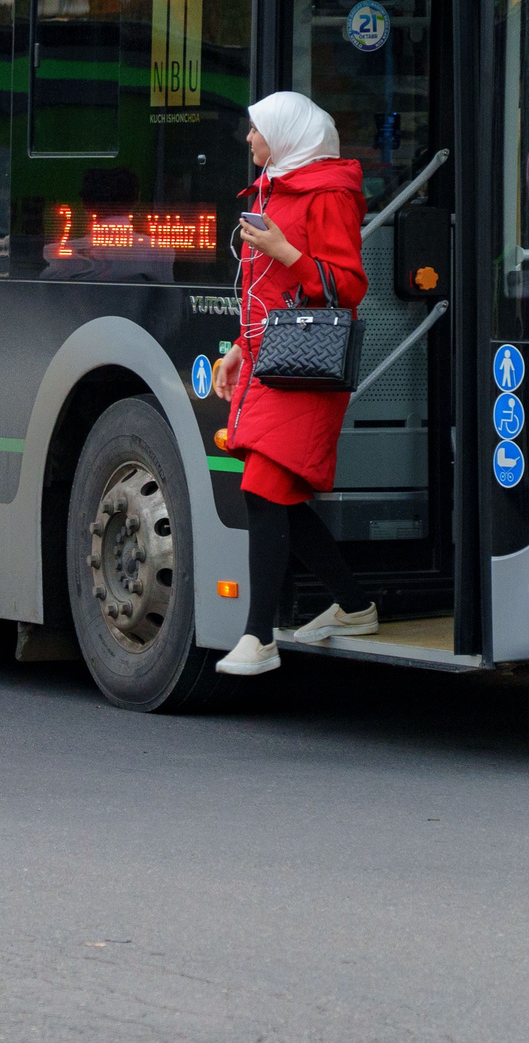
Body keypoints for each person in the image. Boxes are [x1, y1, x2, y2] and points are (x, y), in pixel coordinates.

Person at [211, 91, 376, 678]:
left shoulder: (327, 193)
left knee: (262, 486)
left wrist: (286, 251)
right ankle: (354, 605)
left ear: (284, 135)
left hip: (306, 364)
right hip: (272, 359)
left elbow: (349, 286)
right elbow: (263, 289)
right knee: (273, 490)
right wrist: (237, 348)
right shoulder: (275, 186)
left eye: (256, 130)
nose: (249, 140)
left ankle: (258, 638)